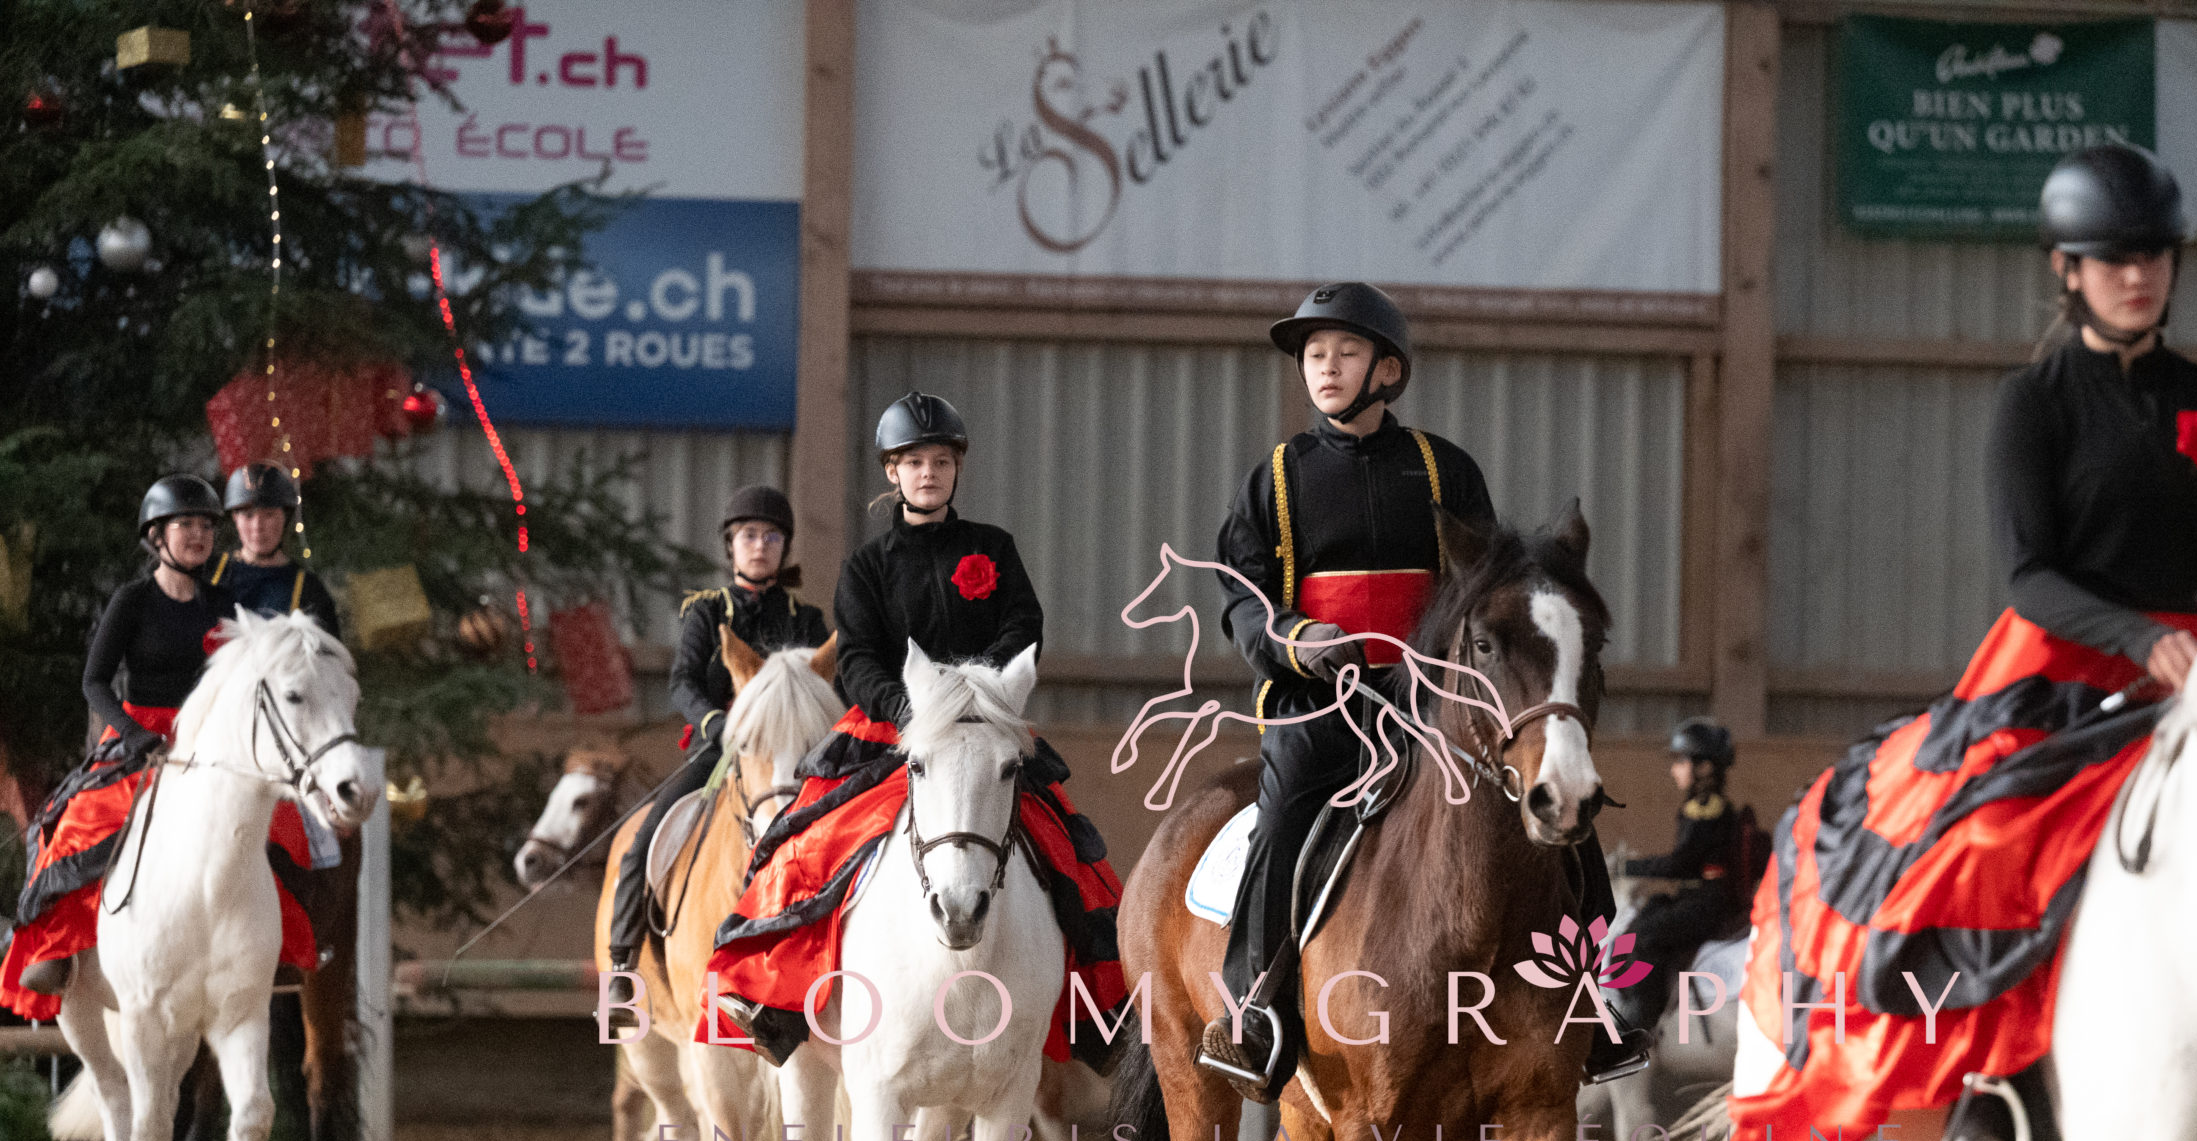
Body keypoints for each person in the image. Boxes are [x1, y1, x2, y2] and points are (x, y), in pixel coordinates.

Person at [1725, 144, 2197, 1141]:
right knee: (1992, 839)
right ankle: (1991, 1095)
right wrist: (2140, 639)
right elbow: (2027, 573)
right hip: (2057, 664)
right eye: (2111, 259)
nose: (2136, 275)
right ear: (2066, 268)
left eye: (2153, 256)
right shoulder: (2033, 402)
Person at [1197, 281, 1647, 1097]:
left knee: (1567, 819)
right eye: (1314, 355)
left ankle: (1590, 996)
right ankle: (1256, 1007)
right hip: (1319, 705)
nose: (1325, 367)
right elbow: (1242, 596)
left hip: (1431, 704)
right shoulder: (1275, 479)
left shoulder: (1447, 469)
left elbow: (1490, 585)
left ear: (1388, 370)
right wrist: (1297, 640)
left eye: (1345, 352)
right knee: (1285, 813)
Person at [705, 394, 1124, 1068]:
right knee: (804, 841)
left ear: (956, 470)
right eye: (914, 462)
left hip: (984, 728)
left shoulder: (994, 548)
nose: (928, 473)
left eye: (940, 462)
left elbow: (1024, 628)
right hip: (891, 732)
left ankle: (1101, 1010)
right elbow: (859, 658)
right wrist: (911, 712)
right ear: (892, 473)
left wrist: (981, 692)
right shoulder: (866, 566)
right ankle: (774, 1001)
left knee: (1071, 848)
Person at [2, 475, 320, 1018]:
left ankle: (277, 950)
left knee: (284, 823)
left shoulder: (224, 603)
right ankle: (57, 952)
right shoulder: (131, 601)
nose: (198, 535)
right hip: (138, 736)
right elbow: (94, 683)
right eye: (185, 525)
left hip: (209, 740)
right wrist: (131, 734)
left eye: (206, 526)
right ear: (156, 536)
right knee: (81, 822)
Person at [605, 484, 828, 974]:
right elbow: (682, 681)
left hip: (791, 756)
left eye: (772, 537)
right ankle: (623, 959)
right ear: (731, 545)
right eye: (749, 535)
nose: (760, 545)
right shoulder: (706, 610)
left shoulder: (806, 620)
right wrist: (720, 725)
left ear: (784, 548)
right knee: (643, 842)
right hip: (722, 748)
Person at [1607, 718, 1766, 1039]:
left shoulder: (1707, 809)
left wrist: (1627, 868)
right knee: (1645, 916)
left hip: (1707, 901)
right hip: (1694, 897)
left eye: (1681, 761)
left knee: (1646, 938)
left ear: (1704, 767)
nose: (1674, 769)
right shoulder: (1702, 807)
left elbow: (1682, 863)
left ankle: (1641, 1024)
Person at [209, 462, 342, 637]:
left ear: (284, 517)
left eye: (269, 515)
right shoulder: (212, 574)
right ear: (235, 518)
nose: (257, 526)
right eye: (248, 515)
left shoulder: (308, 589)